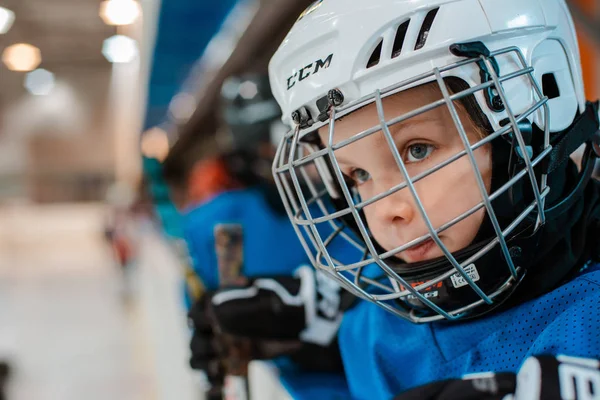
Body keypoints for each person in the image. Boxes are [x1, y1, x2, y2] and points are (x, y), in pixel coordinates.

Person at [261, 0, 600, 398]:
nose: (388, 210)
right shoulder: (374, 325)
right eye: (359, 175)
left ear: (539, 104)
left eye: (418, 150)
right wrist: (298, 351)